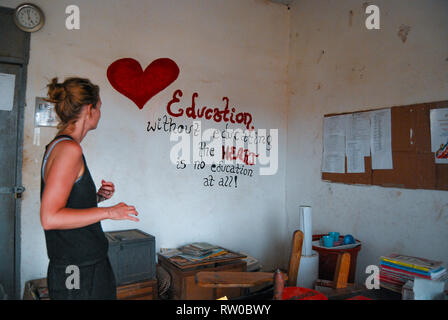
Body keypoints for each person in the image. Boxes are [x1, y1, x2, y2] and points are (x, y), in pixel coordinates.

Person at [40, 77, 139, 300]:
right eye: (100, 107)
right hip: (75, 268)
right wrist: (110, 212)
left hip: (85, 263)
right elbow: (50, 217)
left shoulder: (61, 145)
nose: (100, 113)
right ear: (89, 109)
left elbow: (66, 203)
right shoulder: (68, 150)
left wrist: (95, 198)